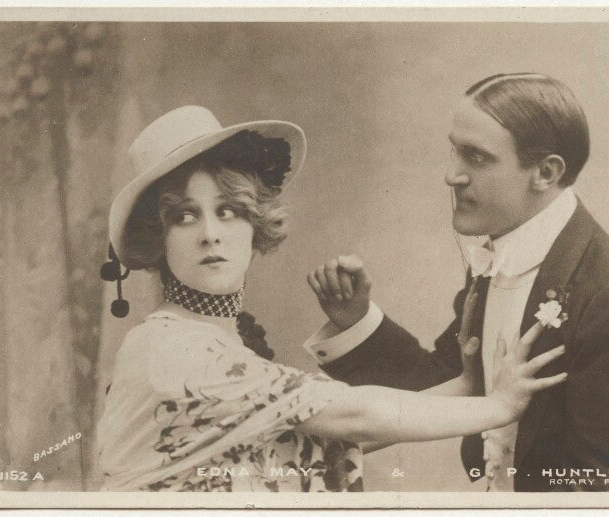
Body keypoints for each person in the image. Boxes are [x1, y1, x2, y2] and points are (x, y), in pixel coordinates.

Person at [95, 105, 567, 492]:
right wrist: (500, 407)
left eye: (229, 211)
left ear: (255, 225)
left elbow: (310, 437)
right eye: (184, 217)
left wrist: (466, 386)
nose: (210, 235)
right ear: (157, 240)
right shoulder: (172, 350)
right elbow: (353, 415)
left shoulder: (217, 341)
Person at [305, 73, 609, 492]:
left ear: (546, 172)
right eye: (455, 151)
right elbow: (445, 386)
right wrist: (356, 320)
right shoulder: (498, 258)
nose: (452, 175)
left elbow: (603, 487)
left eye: (476, 158)